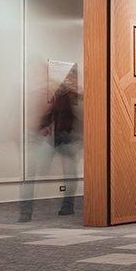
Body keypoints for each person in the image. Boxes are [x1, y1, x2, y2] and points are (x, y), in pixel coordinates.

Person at [20, 66, 81, 222]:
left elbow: (78, 116)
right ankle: (26, 211)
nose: (70, 80)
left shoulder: (75, 94)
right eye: (69, 77)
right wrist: (42, 126)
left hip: (67, 137)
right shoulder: (61, 93)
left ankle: (67, 206)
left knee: (70, 174)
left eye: (72, 77)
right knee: (35, 171)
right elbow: (52, 112)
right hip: (56, 138)